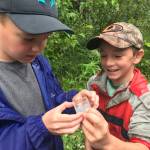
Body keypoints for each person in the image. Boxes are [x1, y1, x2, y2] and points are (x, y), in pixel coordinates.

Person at [0, 0, 99, 150]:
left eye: (46, 37)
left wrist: (73, 101)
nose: (38, 48)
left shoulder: (37, 63)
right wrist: (42, 127)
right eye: (29, 38)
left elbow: (51, 101)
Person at [81, 22, 150, 150]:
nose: (108, 63)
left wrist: (107, 143)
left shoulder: (144, 98)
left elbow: (143, 146)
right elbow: (87, 119)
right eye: (103, 55)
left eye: (117, 56)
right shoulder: (94, 84)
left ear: (137, 56)